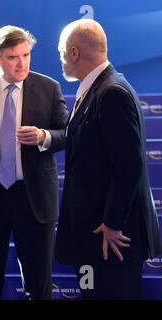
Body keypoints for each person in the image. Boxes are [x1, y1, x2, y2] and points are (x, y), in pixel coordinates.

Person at [0, 25, 68, 300]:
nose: (22, 63)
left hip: (33, 199)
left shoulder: (48, 87)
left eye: (26, 55)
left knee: (38, 283)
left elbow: (68, 133)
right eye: (13, 57)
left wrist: (44, 136)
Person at [55, 19, 162, 299]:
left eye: (61, 51)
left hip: (111, 240)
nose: (61, 58)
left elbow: (129, 165)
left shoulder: (111, 92)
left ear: (74, 53)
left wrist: (113, 223)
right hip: (96, 237)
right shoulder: (99, 88)